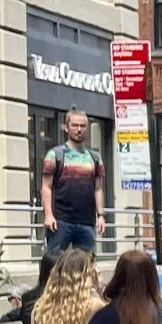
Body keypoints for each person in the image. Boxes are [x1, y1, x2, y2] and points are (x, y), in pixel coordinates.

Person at [40, 108, 105, 257]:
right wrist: (48, 215)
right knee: (53, 265)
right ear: (66, 127)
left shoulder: (95, 158)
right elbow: (46, 187)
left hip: (87, 222)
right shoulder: (55, 155)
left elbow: (98, 189)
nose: (79, 130)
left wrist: (101, 216)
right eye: (75, 125)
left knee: (85, 269)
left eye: (82, 126)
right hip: (60, 221)